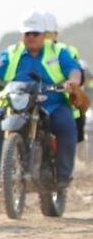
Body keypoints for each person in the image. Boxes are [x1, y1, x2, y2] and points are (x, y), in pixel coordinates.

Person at [0, 10, 82, 188]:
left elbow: (74, 69)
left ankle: (63, 176)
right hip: (17, 104)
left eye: (35, 33)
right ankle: (6, 177)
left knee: (66, 125)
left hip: (51, 103)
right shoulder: (12, 52)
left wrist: (72, 82)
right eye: (28, 33)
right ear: (22, 35)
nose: (31, 37)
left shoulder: (58, 51)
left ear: (44, 35)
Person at [43, 10, 88, 144]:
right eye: (42, 34)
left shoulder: (66, 51)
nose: (45, 38)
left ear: (55, 34)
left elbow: (75, 73)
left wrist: (70, 84)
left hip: (63, 103)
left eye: (48, 34)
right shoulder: (25, 53)